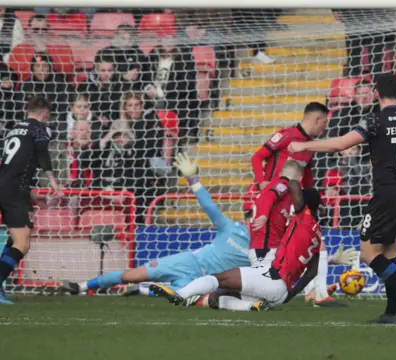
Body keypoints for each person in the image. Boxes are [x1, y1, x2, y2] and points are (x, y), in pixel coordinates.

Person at [289, 72, 396, 324]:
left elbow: (340, 144)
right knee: (389, 253)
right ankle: (392, 312)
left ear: (376, 93)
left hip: (387, 193)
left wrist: (304, 146)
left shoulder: (376, 119)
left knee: (368, 253)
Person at [60, 153, 251, 296]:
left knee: (178, 294)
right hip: (188, 262)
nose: (252, 219)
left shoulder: (263, 248)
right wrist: (192, 179)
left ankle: (142, 291)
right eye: (251, 214)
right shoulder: (232, 228)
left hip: (207, 281)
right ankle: (82, 286)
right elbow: (209, 206)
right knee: (130, 275)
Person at [151, 180, 325, 312]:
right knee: (216, 296)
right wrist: (291, 294)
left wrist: (286, 178)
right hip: (280, 291)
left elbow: (294, 185)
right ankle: (251, 306)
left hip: (272, 278)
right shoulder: (317, 234)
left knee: (219, 278)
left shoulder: (305, 218)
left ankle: (179, 294)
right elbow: (312, 271)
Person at [251, 101, 335, 306]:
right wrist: (262, 182)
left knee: (314, 243)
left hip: (292, 204)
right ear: (316, 119)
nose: (324, 128)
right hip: (273, 203)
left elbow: (306, 175)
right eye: (324, 123)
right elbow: (257, 157)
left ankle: (316, 293)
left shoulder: (309, 147)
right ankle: (304, 293)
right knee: (296, 246)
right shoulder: (287, 136)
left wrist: (315, 200)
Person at [0, 95, 63, 304]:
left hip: (7, 187)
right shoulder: (38, 128)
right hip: (14, 190)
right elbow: (42, 154)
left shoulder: (14, 130)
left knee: (15, 240)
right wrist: (53, 181)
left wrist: (31, 194)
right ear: (45, 113)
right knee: (22, 243)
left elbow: (14, 166)